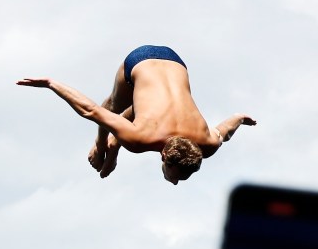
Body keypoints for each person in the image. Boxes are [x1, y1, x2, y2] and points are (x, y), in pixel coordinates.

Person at [17, 45, 256, 184]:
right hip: (138, 62)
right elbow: (91, 110)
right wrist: (52, 84)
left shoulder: (208, 142)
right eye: (176, 177)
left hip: (176, 61)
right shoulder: (140, 139)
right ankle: (106, 146)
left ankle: (114, 140)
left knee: (136, 113)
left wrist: (240, 118)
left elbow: (226, 129)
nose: (174, 182)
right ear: (164, 155)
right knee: (112, 108)